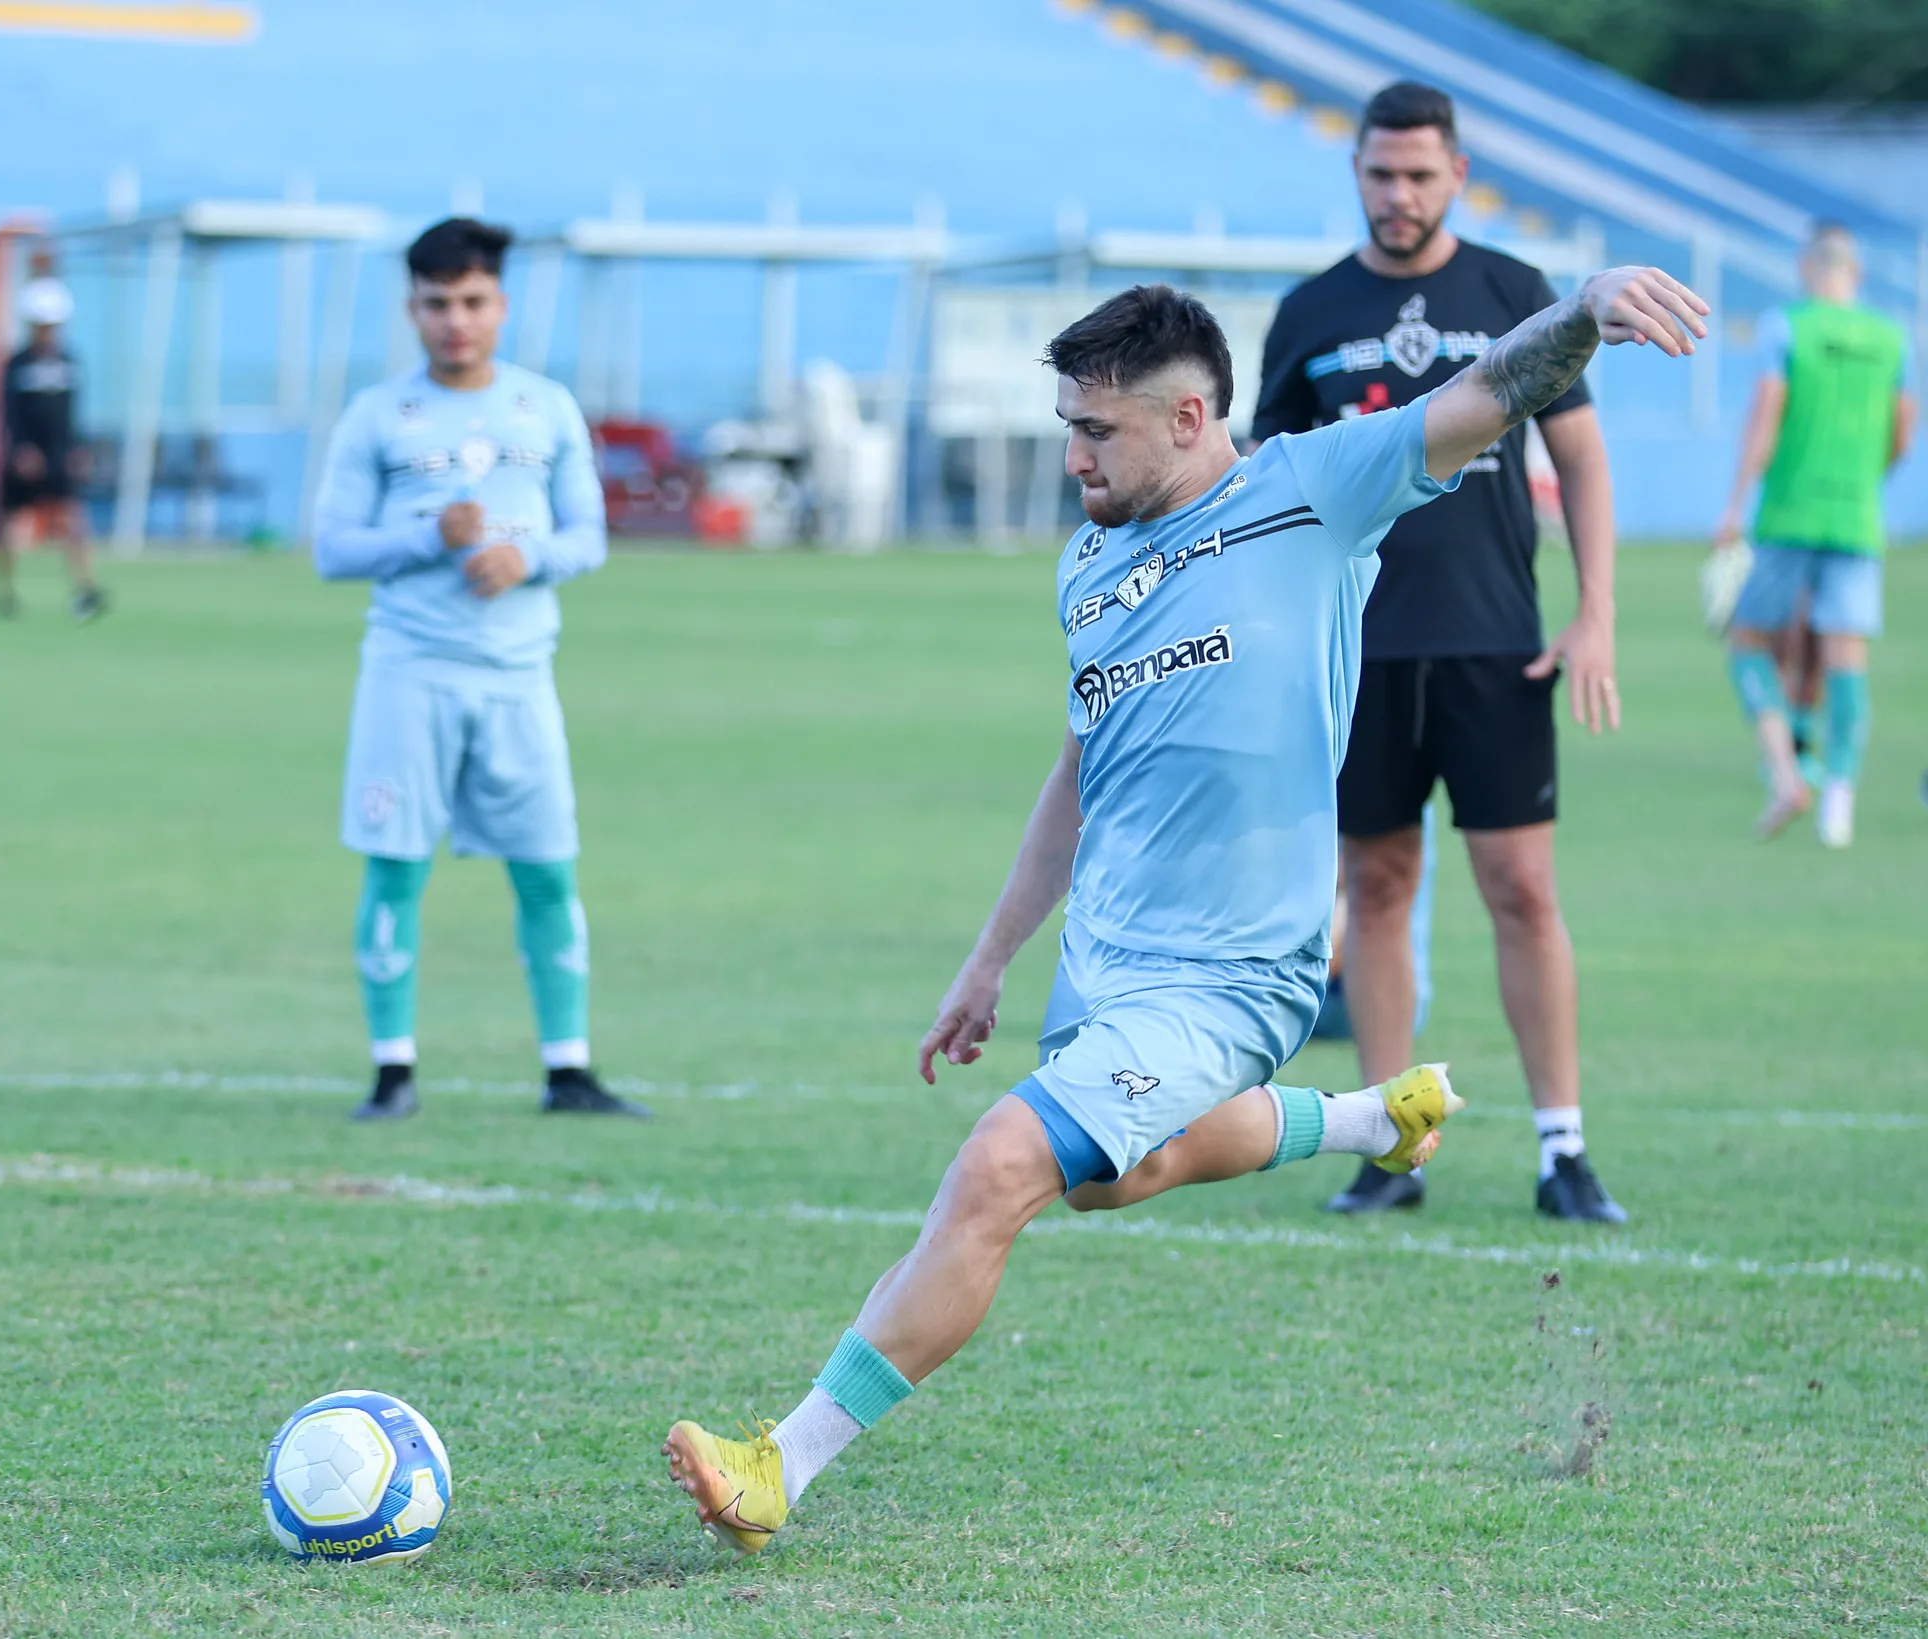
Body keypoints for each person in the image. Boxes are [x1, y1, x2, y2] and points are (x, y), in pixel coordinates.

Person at [661, 265, 1707, 1555]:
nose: (1072, 456)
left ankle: (783, 1463)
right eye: (1065, 427)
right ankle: (1368, 1117)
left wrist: (1584, 311)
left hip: (1239, 966)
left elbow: (1482, 391)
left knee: (999, 1166)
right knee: (1110, 1178)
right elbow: (1076, 771)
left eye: (1093, 431)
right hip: (1107, 960)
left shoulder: (1312, 491)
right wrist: (990, 957)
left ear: (1189, 416)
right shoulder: (1088, 563)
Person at [1251, 81, 1625, 1224]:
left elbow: (1585, 458)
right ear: (1355, 173)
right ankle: (1385, 1141)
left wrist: (1593, 609)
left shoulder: (1511, 292)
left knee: (1520, 889)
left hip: (1493, 642)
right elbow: (1271, 491)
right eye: (1379, 174)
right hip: (1355, 652)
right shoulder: (1310, 311)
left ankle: (1561, 1149)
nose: (1398, 194)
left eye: (1418, 175)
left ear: (1456, 173)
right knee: (1372, 887)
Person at [312, 217, 644, 1121]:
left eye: (471, 301)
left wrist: (523, 557)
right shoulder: (378, 414)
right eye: (435, 304)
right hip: (408, 673)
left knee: (546, 868)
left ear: (499, 304)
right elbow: (332, 548)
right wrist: (431, 537)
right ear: (412, 309)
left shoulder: (546, 407)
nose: (454, 321)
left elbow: (588, 535)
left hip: (516, 677)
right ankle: (392, 1071)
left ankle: (567, 1068)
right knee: (394, 867)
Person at [1714, 221, 1917, 848]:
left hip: (1787, 514)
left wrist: (1735, 501)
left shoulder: (1787, 326)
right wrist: (1865, 480)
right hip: (1856, 516)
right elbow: (1903, 432)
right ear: (1855, 273)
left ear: (1808, 269)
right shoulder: (1892, 337)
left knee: (1749, 641)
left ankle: (1786, 772)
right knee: (1845, 659)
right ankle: (1841, 802)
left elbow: (1765, 414)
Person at [0, 276, 107, 621]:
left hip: (60, 454)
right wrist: (20, 449)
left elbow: (73, 413)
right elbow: (9, 413)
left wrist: (78, 447)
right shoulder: (18, 364)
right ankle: (7, 592)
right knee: (18, 523)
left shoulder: (70, 361)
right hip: (28, 455)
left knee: (74, 519)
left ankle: (86, 589)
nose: (49, 332)